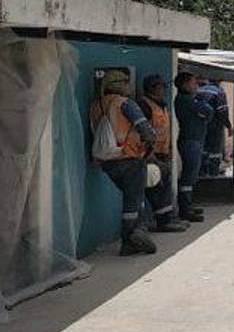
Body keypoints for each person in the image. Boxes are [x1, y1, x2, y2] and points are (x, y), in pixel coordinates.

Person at [89, 69, 160, 255]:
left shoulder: (97, 105)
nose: (129, 85)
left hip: (107, 162)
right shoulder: (125, 104)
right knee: (133, 200)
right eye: (125, 82)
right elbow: (146, 130)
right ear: (118, 85)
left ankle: (134, 237)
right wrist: (150, 147)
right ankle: (132, 236)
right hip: (129, 157)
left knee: (134, 197)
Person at [136, 74, 188, 233]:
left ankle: (165, 219)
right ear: (152, 88)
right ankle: (162, 222)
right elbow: (141, 132)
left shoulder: (161, 105)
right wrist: (148, 153)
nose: (164, 90)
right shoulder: (144, 105)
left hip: (162, 153)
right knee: (155, 188)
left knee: (162, 186)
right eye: (161, 87)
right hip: (149, 155)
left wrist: (170, 150)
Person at [174, 72, 212, 223]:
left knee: (193, 174)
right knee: (189, 175)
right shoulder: (184, 100)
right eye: (193, 82)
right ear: (184, 84)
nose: (196, 85)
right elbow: (208, 111)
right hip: (190, 140)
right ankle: (185, 208)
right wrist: (202, 112)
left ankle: (188, 205)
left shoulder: (192, 99)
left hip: (195, 139)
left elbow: (208, 113)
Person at [196, 77, 232, 177]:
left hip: (201, 125)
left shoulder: (199, 91)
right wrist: (228, 126)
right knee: (215, 152)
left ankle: (202, 173)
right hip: (215, 125)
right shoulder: (219, 92)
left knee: (203, 149)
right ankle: (213, 174)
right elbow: (222, 111)